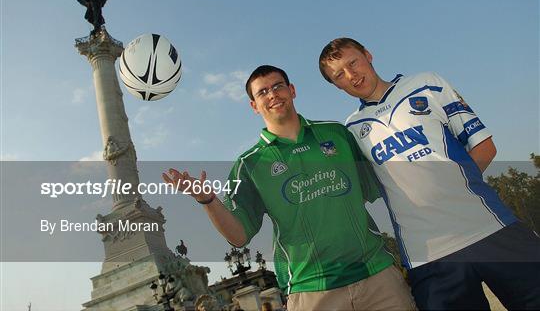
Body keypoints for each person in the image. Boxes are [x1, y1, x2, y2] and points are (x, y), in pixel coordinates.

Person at [164, 65, 415, 310]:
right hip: (311, 290)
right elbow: (238, 236)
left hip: (377, 276)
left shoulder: (337, 134)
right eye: (262, 92)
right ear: (254, 106)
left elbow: (383, 186)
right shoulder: (249, 164)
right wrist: (208, 200)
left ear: (292, 90)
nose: (272, 94)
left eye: (278, 86)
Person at [318, 37, 540, 310]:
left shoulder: (426, 83)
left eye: (353, 62)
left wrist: (453, 191)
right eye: (339, 74)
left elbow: (484, 146)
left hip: (491, 228)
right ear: (336, 86)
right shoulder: (351, 130)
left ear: (368, 54)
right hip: (429, 258)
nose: (351, 75)